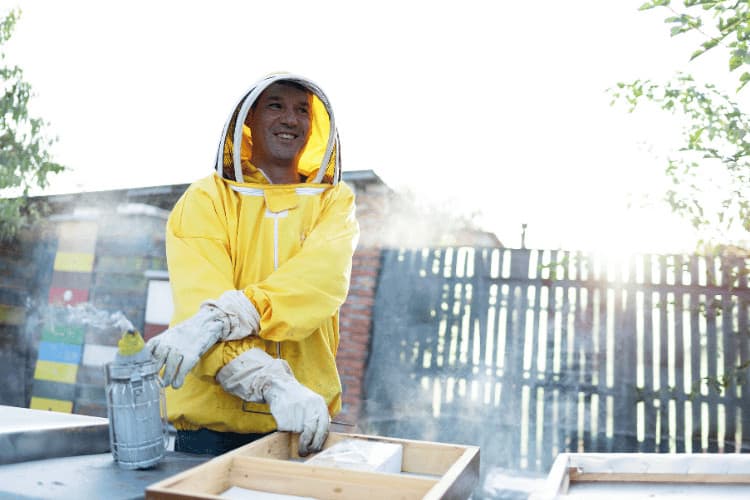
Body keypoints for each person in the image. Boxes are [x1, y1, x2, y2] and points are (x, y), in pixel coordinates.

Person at [146, 73, 359, 457]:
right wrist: (272, 384)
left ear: (315, 126)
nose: (290, 119)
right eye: (275, 105)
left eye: (302, 110)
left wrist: (224, 317)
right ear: (247, 121)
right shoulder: (206, 200)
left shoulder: (334, 202)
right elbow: (199, 307)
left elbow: (318, 283)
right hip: (210, 434)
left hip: (301, 427)